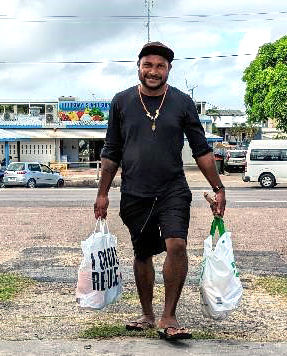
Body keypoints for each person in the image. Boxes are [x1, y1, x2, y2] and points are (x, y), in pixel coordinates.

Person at [94, 41, 226, 341]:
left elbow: (201, 149)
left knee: (176, 244)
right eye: (148, 65)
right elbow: (111, 150)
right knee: (142, 253)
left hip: (172, 189)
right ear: (139, 67)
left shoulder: (182, 102)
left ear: (169, 70)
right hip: (134, 192)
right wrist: (102, 193)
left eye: (160, 66)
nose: (153, 71)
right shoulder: (121, 101)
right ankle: (147, 313)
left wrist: (218, 187)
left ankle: (169, 315)